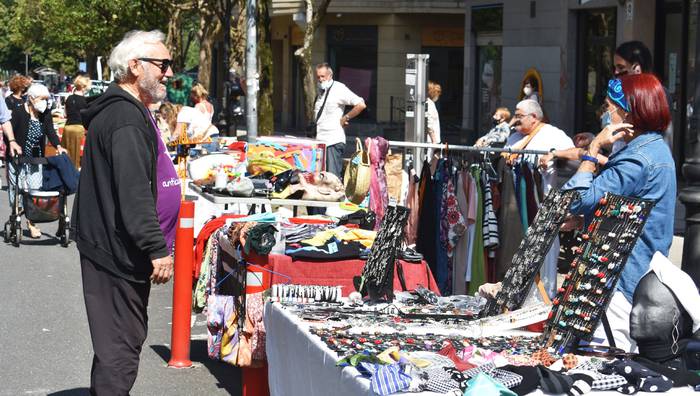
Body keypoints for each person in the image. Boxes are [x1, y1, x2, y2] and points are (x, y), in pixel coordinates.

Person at [71, 30, 179, 394]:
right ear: (135, 66)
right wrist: (156, 248)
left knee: (116, 342)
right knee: (120, 345)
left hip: (111, 246)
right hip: (116, 250)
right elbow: (133, 193)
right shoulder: (125, 119)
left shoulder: (123, 112)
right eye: (162, 64)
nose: (168, 72)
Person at [562, 74, 676, 351]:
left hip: (620, 284)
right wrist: (585, 220)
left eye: (607, 107)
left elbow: (574, 200)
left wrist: (592, 149)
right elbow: (627, 208)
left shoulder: (636, 160)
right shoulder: (652, 150)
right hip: (631, 279)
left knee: (607, 362)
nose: (604, 114)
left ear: (627, 112)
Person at [506, 99, 575, 298]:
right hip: (515, 209)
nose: (515, 120)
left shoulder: (554, 135)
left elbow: (576, 159)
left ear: (534, 117)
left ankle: (544, 299)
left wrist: (554, 156)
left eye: (519, 116)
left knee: (544, 256)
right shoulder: (513, 138)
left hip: (544, 207)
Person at [4, 83, 66, 238]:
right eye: (41, 99)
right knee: (17, 190)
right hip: (17, 158)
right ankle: (17, 216)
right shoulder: (18, 112)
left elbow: (50, 131)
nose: (44, 102)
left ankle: (31, 222)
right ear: (31, 99)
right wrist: (13, 146)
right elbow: (8, 136)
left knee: (35, 190)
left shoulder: (45, 114)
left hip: (36, 158)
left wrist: (58, 146)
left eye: (46, 99)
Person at [313, 62, 366, 178]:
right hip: (319, 141)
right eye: (318, 77)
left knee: (332, 179)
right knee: (320, 180)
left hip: (333, 141)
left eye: (323, 76)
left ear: (330, 76)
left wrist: (346, 117)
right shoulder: (320, 90)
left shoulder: (338, 88)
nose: (320, 79)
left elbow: (361, 104)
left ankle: (338, 196)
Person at [62, 75, 91, 168]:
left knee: (66, 155)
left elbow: (65, 114)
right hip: (79, 129)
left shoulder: (68, 98)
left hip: (67, 128)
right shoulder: (86, 101)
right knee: (77, 157)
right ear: (83, 87)